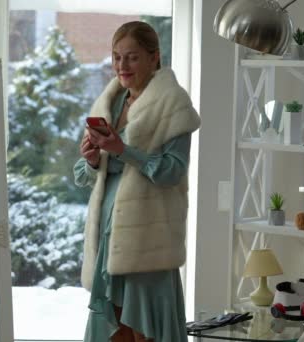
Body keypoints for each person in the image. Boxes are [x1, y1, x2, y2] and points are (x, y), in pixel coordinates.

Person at [74, 21, 201, 342]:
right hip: (109, 231)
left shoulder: (173, 103)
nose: (121, 66)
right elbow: (83, 175)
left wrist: (123, 150)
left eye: (131, 57)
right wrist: (91, 160)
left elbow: (173, 170)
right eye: (116, 57)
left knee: (144, 331)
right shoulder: (111, 103)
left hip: (149, 237)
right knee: (112, 329)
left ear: (153, 57)